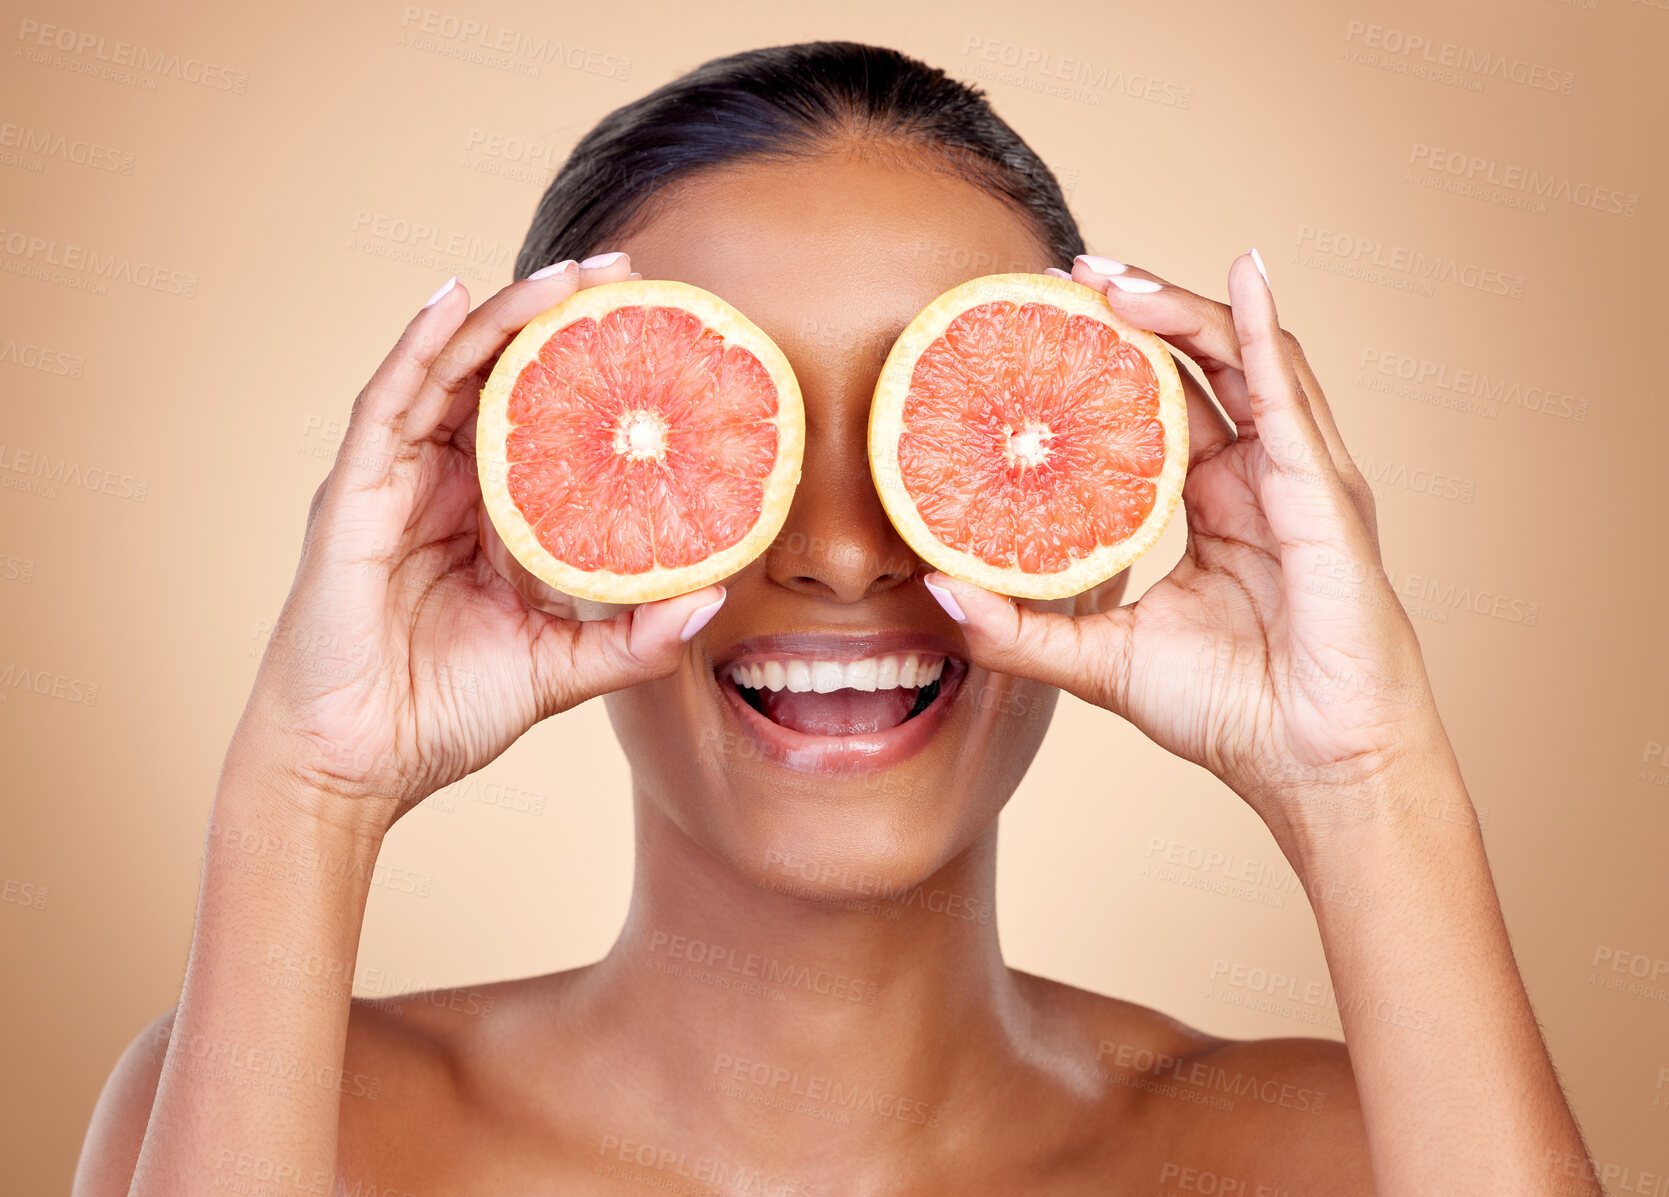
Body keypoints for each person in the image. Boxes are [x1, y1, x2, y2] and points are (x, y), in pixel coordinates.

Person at [74, 41, 1601, 1196]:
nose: (842, 552)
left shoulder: (1334, 1150)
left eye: (933, 435)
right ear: (534, 511)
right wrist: (303, 792)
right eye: (737, 443)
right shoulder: (290, 1118)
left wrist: (1364, 779)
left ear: (1097, 514)